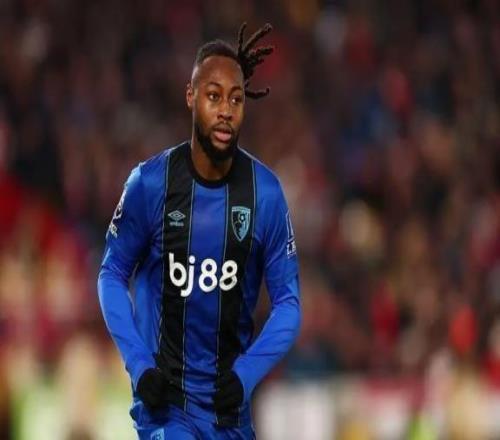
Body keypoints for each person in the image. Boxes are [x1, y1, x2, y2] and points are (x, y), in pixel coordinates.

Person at [97, 22, 301, 440]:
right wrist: (140, 365)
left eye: (236, 99)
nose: (226, 110)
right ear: (190, 96)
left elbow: (288, 304)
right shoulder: (150, 184)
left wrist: (245, 375)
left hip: (230, 414)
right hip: (166, 409)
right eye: (214, 96)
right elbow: (112, 274)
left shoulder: (264, 195)